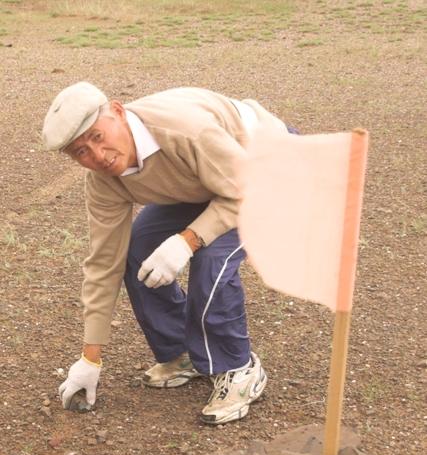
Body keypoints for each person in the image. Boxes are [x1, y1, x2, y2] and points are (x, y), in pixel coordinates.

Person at [42, 82, 291, 424]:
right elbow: (104, 262)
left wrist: (188, 240)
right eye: (80, 151)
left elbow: (250, 188)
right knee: (136, 249)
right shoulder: (103, 181)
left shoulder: (186, 131)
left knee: (211, 259)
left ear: (117, 111)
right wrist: (90, 357)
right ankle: (182, 352)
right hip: (205, 183)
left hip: (262, 164)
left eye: (98, 137)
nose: (97, 156)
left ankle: (239, 368)